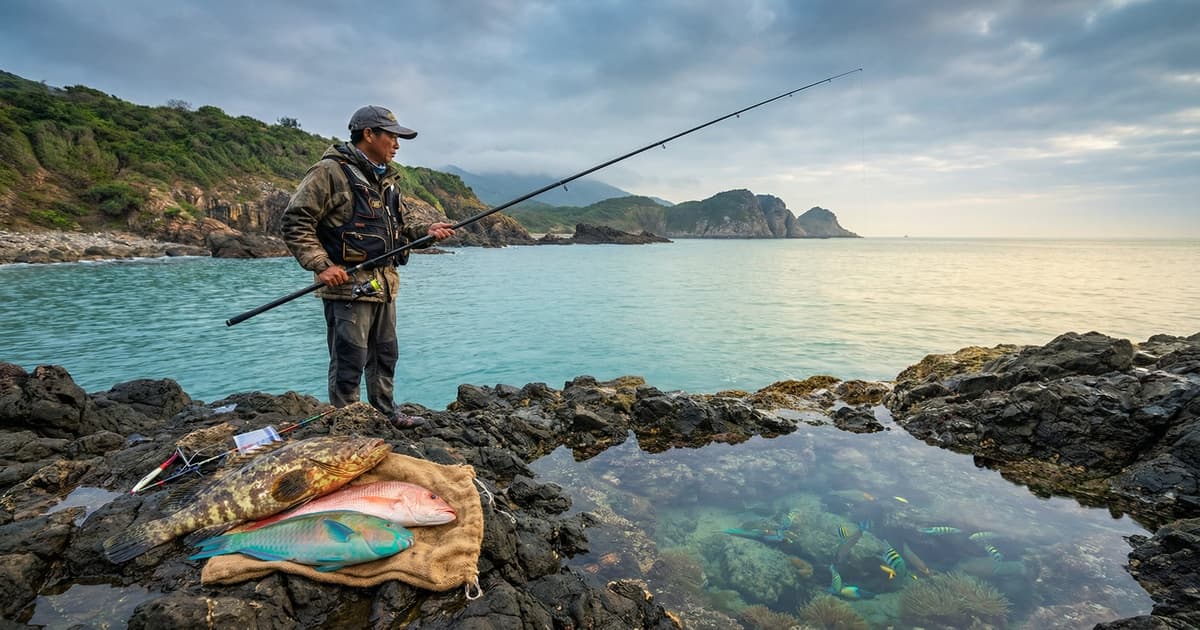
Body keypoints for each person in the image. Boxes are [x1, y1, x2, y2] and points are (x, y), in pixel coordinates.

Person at [280, 105, 455, 428]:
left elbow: (401, 232)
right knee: (350, 360)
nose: (397, 145)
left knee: (386, 355)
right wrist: (321, 265)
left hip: (385, 286)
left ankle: (387, 414)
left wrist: (428, 234)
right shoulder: (329, 172)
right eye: (392, 137)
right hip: (347, 288)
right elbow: (295, 221)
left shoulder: (387, 181)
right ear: (369, 134)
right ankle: (349, 423)